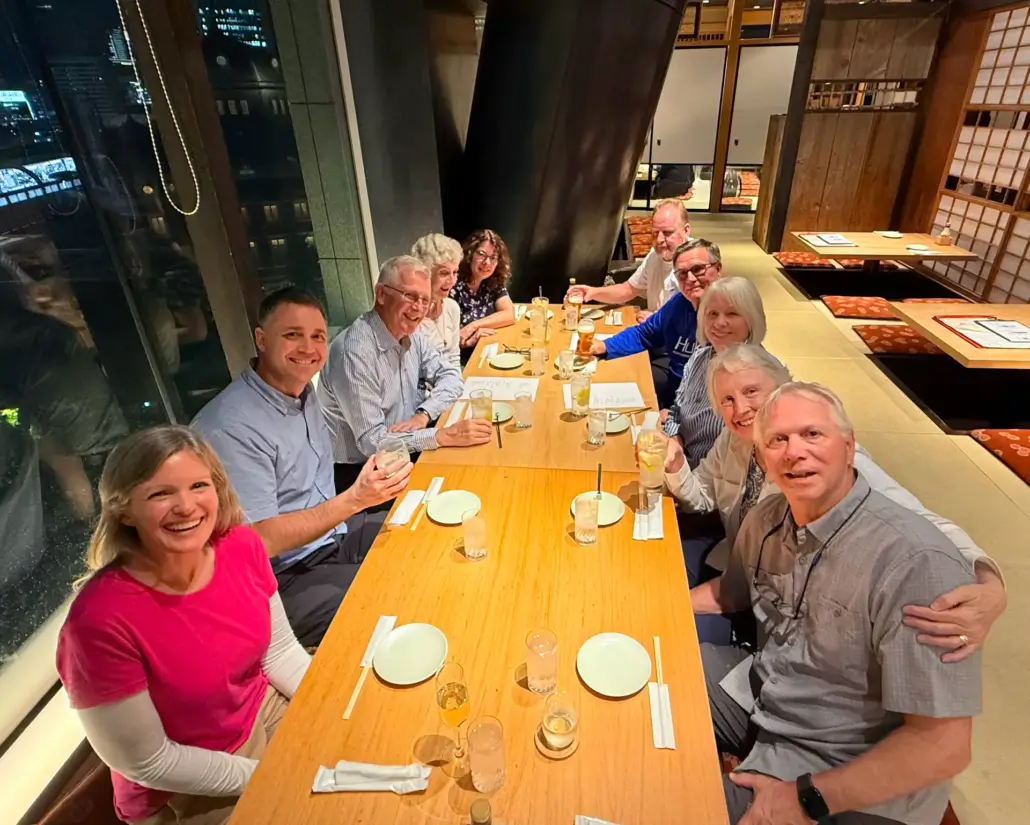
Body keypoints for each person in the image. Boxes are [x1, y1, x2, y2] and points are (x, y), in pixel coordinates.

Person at [693, 382, 982, 825]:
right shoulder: (768, 520)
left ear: (850, 447)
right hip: (769, 698)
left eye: (812, 434)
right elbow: (730, 594)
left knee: (676, 805)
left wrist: (805, 799)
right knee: (654, 679)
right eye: (778, 440)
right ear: (763, 458)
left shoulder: (915, 564)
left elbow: (941, 747)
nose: (795, 452)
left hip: (845, 769)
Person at [668, 345, 1007, 649]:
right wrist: (675, 463)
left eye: (751, 391)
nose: (740, 408)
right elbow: (702, 497)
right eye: (726, 400)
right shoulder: (735, 440)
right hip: (738, 576)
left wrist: (990, 587)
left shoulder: (835, 462)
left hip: (791, 620)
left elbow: (920, 524)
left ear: (782, 387)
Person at [56, 426, 311, 825]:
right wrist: (270, 776)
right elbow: (151, 762)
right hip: (185, 778)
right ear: (124, 510)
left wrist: (328, 705)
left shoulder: (241, 547)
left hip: (261, 711)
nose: (187, 506)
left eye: (198, 485)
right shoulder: (98, 623)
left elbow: (279, 653)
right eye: (160, 494)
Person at [192, 287, 410, 646]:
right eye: (292, 335)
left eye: (317, 337)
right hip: (281, 579)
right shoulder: (231, 427)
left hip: (329, 538)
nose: (308, 348)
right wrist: (355, 499)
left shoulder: (302, 392)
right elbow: (260, 540)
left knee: (419, 541)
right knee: (391, 596)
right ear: (261, 339)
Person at [317, 256, 491, 493]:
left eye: (425, 300)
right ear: (381, 294)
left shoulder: (412, 332)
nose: (418, 308)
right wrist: (439, 436)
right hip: (362, 473)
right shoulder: (354, 353)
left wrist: (424, 414)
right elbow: (372, 442)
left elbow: (450, 374)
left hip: (408, 446)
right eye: (410, 296)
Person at [592, 238, 723, 408]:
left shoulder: (731, 316)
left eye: (698, 269)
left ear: (718, 269)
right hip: (674, 400)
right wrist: (604, 346)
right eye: (682, 273)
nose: (690, 279)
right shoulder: (679, 303)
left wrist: (676, 418)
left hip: (702, 413)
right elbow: (644, 333)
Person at [663, 276, 767, 470]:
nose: (719, 323)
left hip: (713, 485)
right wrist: (674, 440)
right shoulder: (701, 356)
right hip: (679, 467)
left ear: (752, 318)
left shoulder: (761, 375)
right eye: (712, 314)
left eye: (732, 313)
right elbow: (676, 410)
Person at [565, 198, 689, 321]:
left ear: (686, 231)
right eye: (655, 233)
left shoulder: (697, 264)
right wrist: (591, 292)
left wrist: (657, 319)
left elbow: (698, 316)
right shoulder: (654, 256)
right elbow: (628, 290)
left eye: (667, 232)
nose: (660, 240)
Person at [451, 229, 516, 348]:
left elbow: (509, 314)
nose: (487, 262)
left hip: (486, 348)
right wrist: (470, 339)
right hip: (461, 358)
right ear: (469, 254)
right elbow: (453, 339)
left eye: (493, 258)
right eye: (481, 254)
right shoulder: (454, 285)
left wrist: (473, 326)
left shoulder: (493, 282)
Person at [411, 233, 462, 366]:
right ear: (425, 274)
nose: (452, 280)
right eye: (444, 273)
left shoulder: (452, 308)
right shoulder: (410, 316)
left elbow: (454, 359)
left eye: (455, 272)